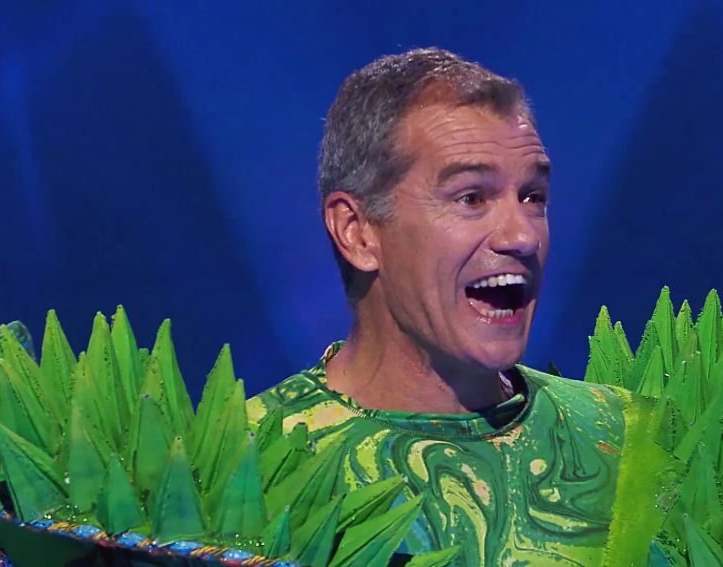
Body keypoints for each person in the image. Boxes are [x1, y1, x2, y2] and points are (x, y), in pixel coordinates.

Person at [245, 47, 630, 565]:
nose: (521, 236)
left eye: (532, 197)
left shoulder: (623, 440)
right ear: (357, 232)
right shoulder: (246, 465)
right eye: (471, 198)